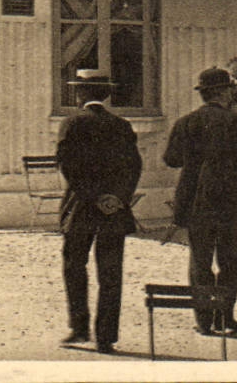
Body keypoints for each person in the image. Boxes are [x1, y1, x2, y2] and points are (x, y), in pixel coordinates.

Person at [163, 66, 237, 335]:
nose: (231, 94)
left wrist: (196, 158)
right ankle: (224, 318)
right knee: (229, 261)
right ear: (222, 92)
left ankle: (204, 321)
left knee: (200, 262)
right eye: (230, 90)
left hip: (197, 203)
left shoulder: (186, 122)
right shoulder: (234, 122)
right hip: (231, 203)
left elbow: (171, 159)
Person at [55, 69, 142, 355]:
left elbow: (68, 167)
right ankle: (105, 337)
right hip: (113, 211)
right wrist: (115, 198)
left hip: (81, 207)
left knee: (74, 266)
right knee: (110, 272)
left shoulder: (71, 123)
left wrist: (94, 197)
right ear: (106, 94)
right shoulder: (122, 125)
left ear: (80, 94)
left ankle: (79, 329)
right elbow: (133, 167)